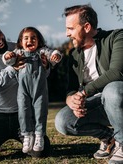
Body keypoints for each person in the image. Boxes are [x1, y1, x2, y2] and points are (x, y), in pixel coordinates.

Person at [0, 16, 50, 162]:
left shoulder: (20, 48)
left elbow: (40, 76)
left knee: (41, 153)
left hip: (22, 113)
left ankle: (30, 137)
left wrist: (46, 67)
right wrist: (11, 69)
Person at [54, 4, 123, 164]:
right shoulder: (73, 54)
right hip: (97, 105)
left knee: (112, 89)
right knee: (63, 121)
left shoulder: (116, 37)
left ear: (86, 26)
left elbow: (117, 72)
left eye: (70, 28)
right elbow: (71, 89)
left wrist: (83, 93)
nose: (67, 34)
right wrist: (72, 99)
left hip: (118, 99)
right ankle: (109, 139)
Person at [2, 27, 63, 153]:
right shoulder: (18, 53)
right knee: (24, 112)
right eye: (26, 38)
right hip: (23, 90)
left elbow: (52, 53)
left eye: (33, 38)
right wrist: (7, 56)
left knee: (40, 112)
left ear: (39, 41)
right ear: (20, 41)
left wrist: (56, 55)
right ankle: (27, 136)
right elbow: (8, 61)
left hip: (39, 90)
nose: (30, 40)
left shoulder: (41, 52)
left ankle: (39, 135)